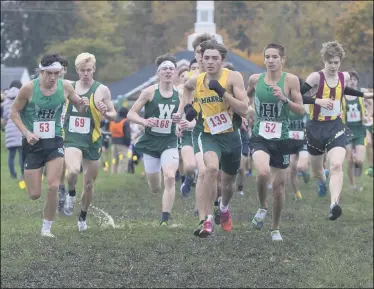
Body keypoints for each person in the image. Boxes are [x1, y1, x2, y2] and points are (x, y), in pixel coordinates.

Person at [174, 39, 248, 237]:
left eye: (215, 58)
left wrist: (222, 92)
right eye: (206, 58)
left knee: (228, 182)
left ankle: (223, 208)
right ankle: (207, 220)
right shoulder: (197, 79)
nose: (210, 62)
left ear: (222, 60)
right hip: (208, 134)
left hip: (231, 136)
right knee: (211, 169)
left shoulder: (233, 77)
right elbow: (186, 88)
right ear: (201, 60)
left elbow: (244, 109)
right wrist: (188, 107)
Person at [10, 53, 89, 237]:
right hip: (33, 143)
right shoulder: (28, 89)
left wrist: (83, 104)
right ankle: (37, 175)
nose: (53, 77)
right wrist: (27, 133)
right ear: (41, 71)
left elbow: (79, 107)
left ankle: (46, 228)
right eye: (49, 73)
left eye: (57, 73)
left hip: (55, 141)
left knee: (53, 186)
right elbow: (14, 112)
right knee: (34, 194)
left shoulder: (66, 86)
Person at [300, 40, 373, 220]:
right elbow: (298, 96)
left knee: (337, 164)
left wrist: (364, 94)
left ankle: (334, 204)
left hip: (335, 125)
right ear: (324, 61)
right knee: (317, 171)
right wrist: (318, 101)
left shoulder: (344, 76)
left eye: (336, 62)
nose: (333, 66)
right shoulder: (315, 78)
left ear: (340, 62)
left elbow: (343, 89)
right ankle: (322, 181)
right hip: (315, 127)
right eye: (330, 62)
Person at [247, 44, 304, 241]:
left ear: (282, 60)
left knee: (279, 187)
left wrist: (284, 99)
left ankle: (275, 228)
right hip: (260, 136)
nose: (270, 60)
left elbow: (301, 111)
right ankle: (262, 207)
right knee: (262, 172)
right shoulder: (255, 79)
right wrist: (248, 110)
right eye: (267, 57)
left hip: (282, 138)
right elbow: (247, 97)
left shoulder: (291, 80)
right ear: (264, 59)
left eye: (275, 57)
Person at [62, 52, 116, 232]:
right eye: (82, 70)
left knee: (89, 184)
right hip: (72, 137)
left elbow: (114, 114)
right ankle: (70, 193)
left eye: (89, 70)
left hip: (92, 139)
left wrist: (106, 112)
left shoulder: (102, 90)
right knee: (73, 171)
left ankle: (82, 217)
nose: (86, 73)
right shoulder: (68, 87)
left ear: (94, 70)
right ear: (77, 71)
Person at [127, 54, 181, 226]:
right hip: (150, 142)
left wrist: (185, 123)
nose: (168, 72)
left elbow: (192, 116)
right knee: (155, 187)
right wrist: (144, 121)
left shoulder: (181, 94)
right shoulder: (149, 92)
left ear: (175, 73)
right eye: (164, 69)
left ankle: (165, 219)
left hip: (170, 141)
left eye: (171, 69)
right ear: (158, 73)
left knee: (170, 177)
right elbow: (131, 114)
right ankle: (157, 177)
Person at [342, 71, 367, 190]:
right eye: (350, 79)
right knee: (349, 159)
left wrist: (368, 114)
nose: (352, 81)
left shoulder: (361, 94)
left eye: (354, 79)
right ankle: (353, 185)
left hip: (359, 129)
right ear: (346, 82)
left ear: (357, 82)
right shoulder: (341, 95)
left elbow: (371, 102)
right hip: (347, 129)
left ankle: (359, 165)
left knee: (360, 160)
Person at [3, 80, 24, 180]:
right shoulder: (21, 97)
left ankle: (13, 175)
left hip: (9, 129)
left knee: (11, 155)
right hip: (19, 127)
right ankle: (23, 175)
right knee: (21, 153)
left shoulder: (6, 99)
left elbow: (5, 116)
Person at [109, 107, 131, 174]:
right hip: (122, 144)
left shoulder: (113, 121)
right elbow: (127, 134)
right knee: (122, 159)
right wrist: (128, 143)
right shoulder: (125, 121)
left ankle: (113, 172)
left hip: (113, 143)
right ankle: (121, 173)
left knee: (114, 159)